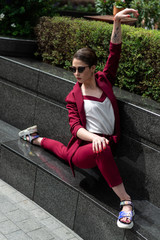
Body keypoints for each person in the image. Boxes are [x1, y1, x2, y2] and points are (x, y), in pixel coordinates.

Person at [18, 8, 139, 229]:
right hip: (86, 146)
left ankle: (33, 138)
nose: (76, 73)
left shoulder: (105, 80)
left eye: (80, 69)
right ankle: (126, 203)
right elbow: (75, 128)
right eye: (73, 69)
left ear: (93, 68)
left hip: (105, 142)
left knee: (60, 150)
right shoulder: (73, 96)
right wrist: (94, 138)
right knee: (70, 152)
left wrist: (117, 23)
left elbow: (115, 52)